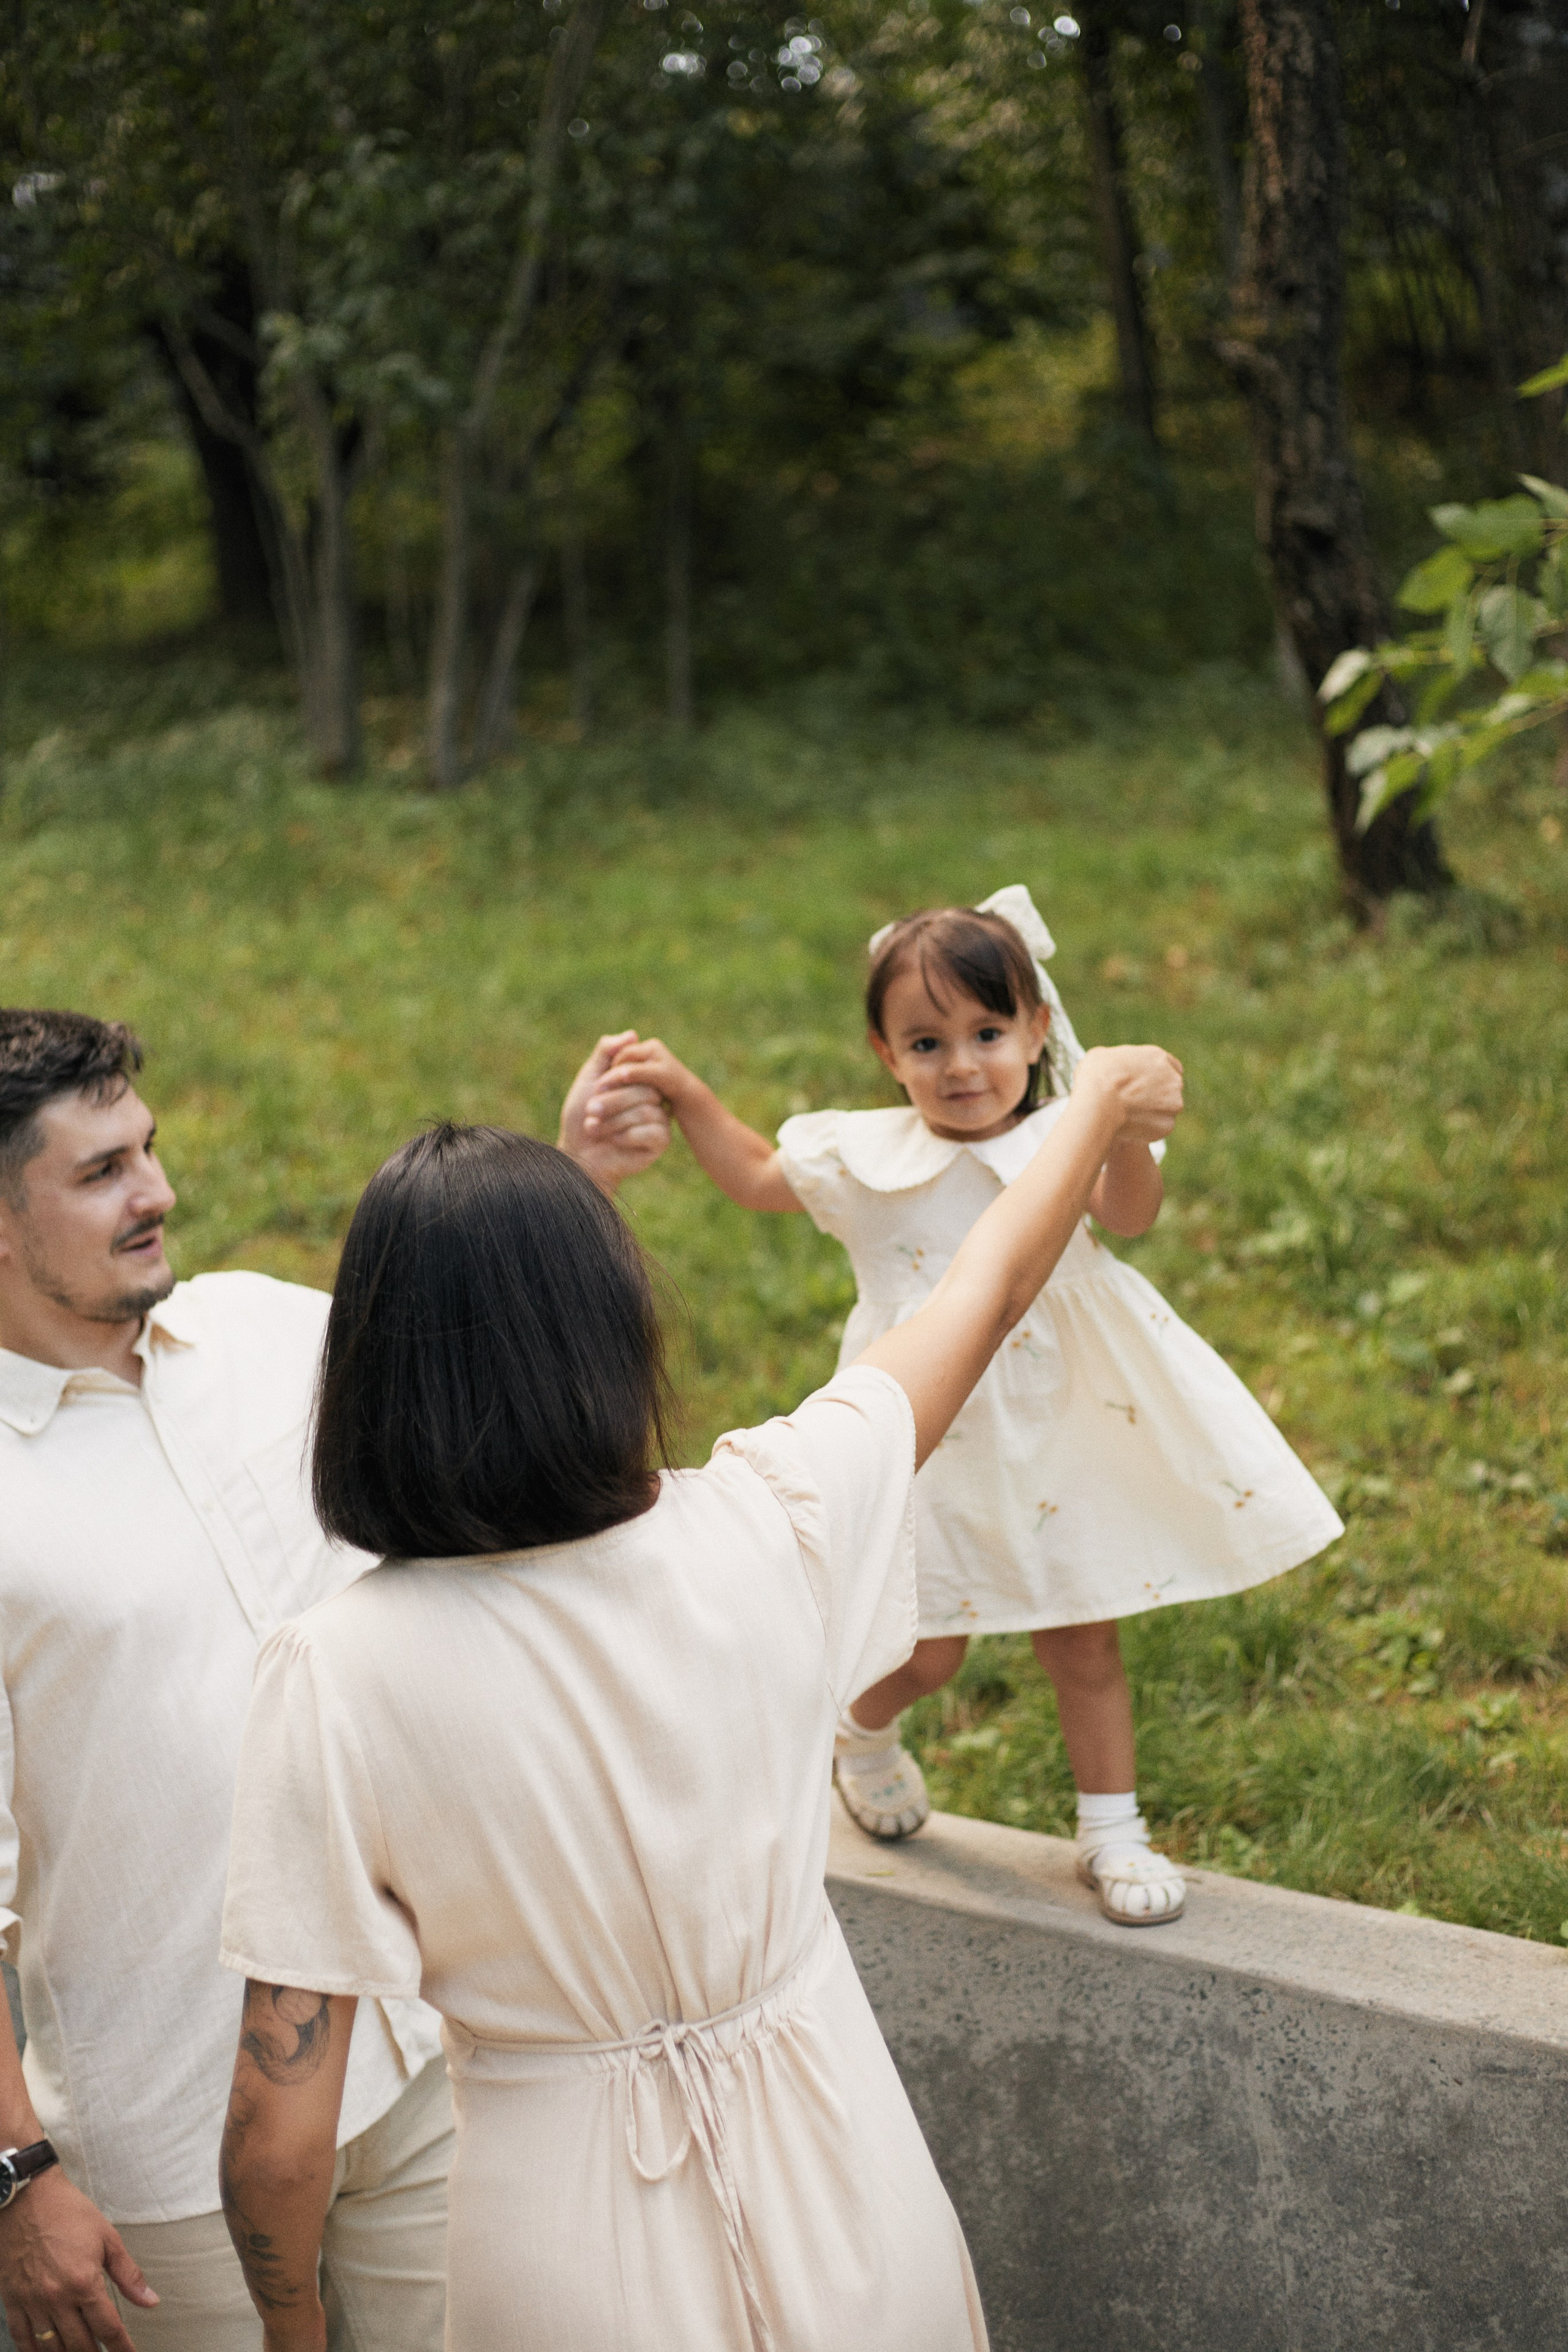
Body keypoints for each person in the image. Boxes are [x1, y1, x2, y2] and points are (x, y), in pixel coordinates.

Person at [214, 1038, 1182, 2352]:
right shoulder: (777, 1517)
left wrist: (291, 2333)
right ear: (617, 1331)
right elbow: (990, 1284)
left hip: (559, 2250)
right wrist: (1101, 1100)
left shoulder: (333, 1674)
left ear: (373, 1374)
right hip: (851, 2179)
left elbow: (278, 2142)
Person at [0, 1008, 667, 2352]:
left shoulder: (262, 1332)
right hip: (169, 2155)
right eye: (103, 1172)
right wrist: (18, 2183)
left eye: (148, 1149)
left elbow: (462, 1353)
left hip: (422, 2055)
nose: (157, 1192)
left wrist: (570, 1183)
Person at [586, 888, 1343, 1923]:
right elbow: (759, 1173)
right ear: (885, 1055)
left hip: (1064, 1428)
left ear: (1038, 1030)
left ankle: (1113, 1830)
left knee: (1082, 1638)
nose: (962, 1065)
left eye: (989, 1033)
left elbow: (1131, 1215)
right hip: (929, 1436)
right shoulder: (869, 1157)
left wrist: (1115, 1125)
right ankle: (861, 1733)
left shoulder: (1065, 1140)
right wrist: (682, 1090)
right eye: (926, 1043)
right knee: (923, 1649)